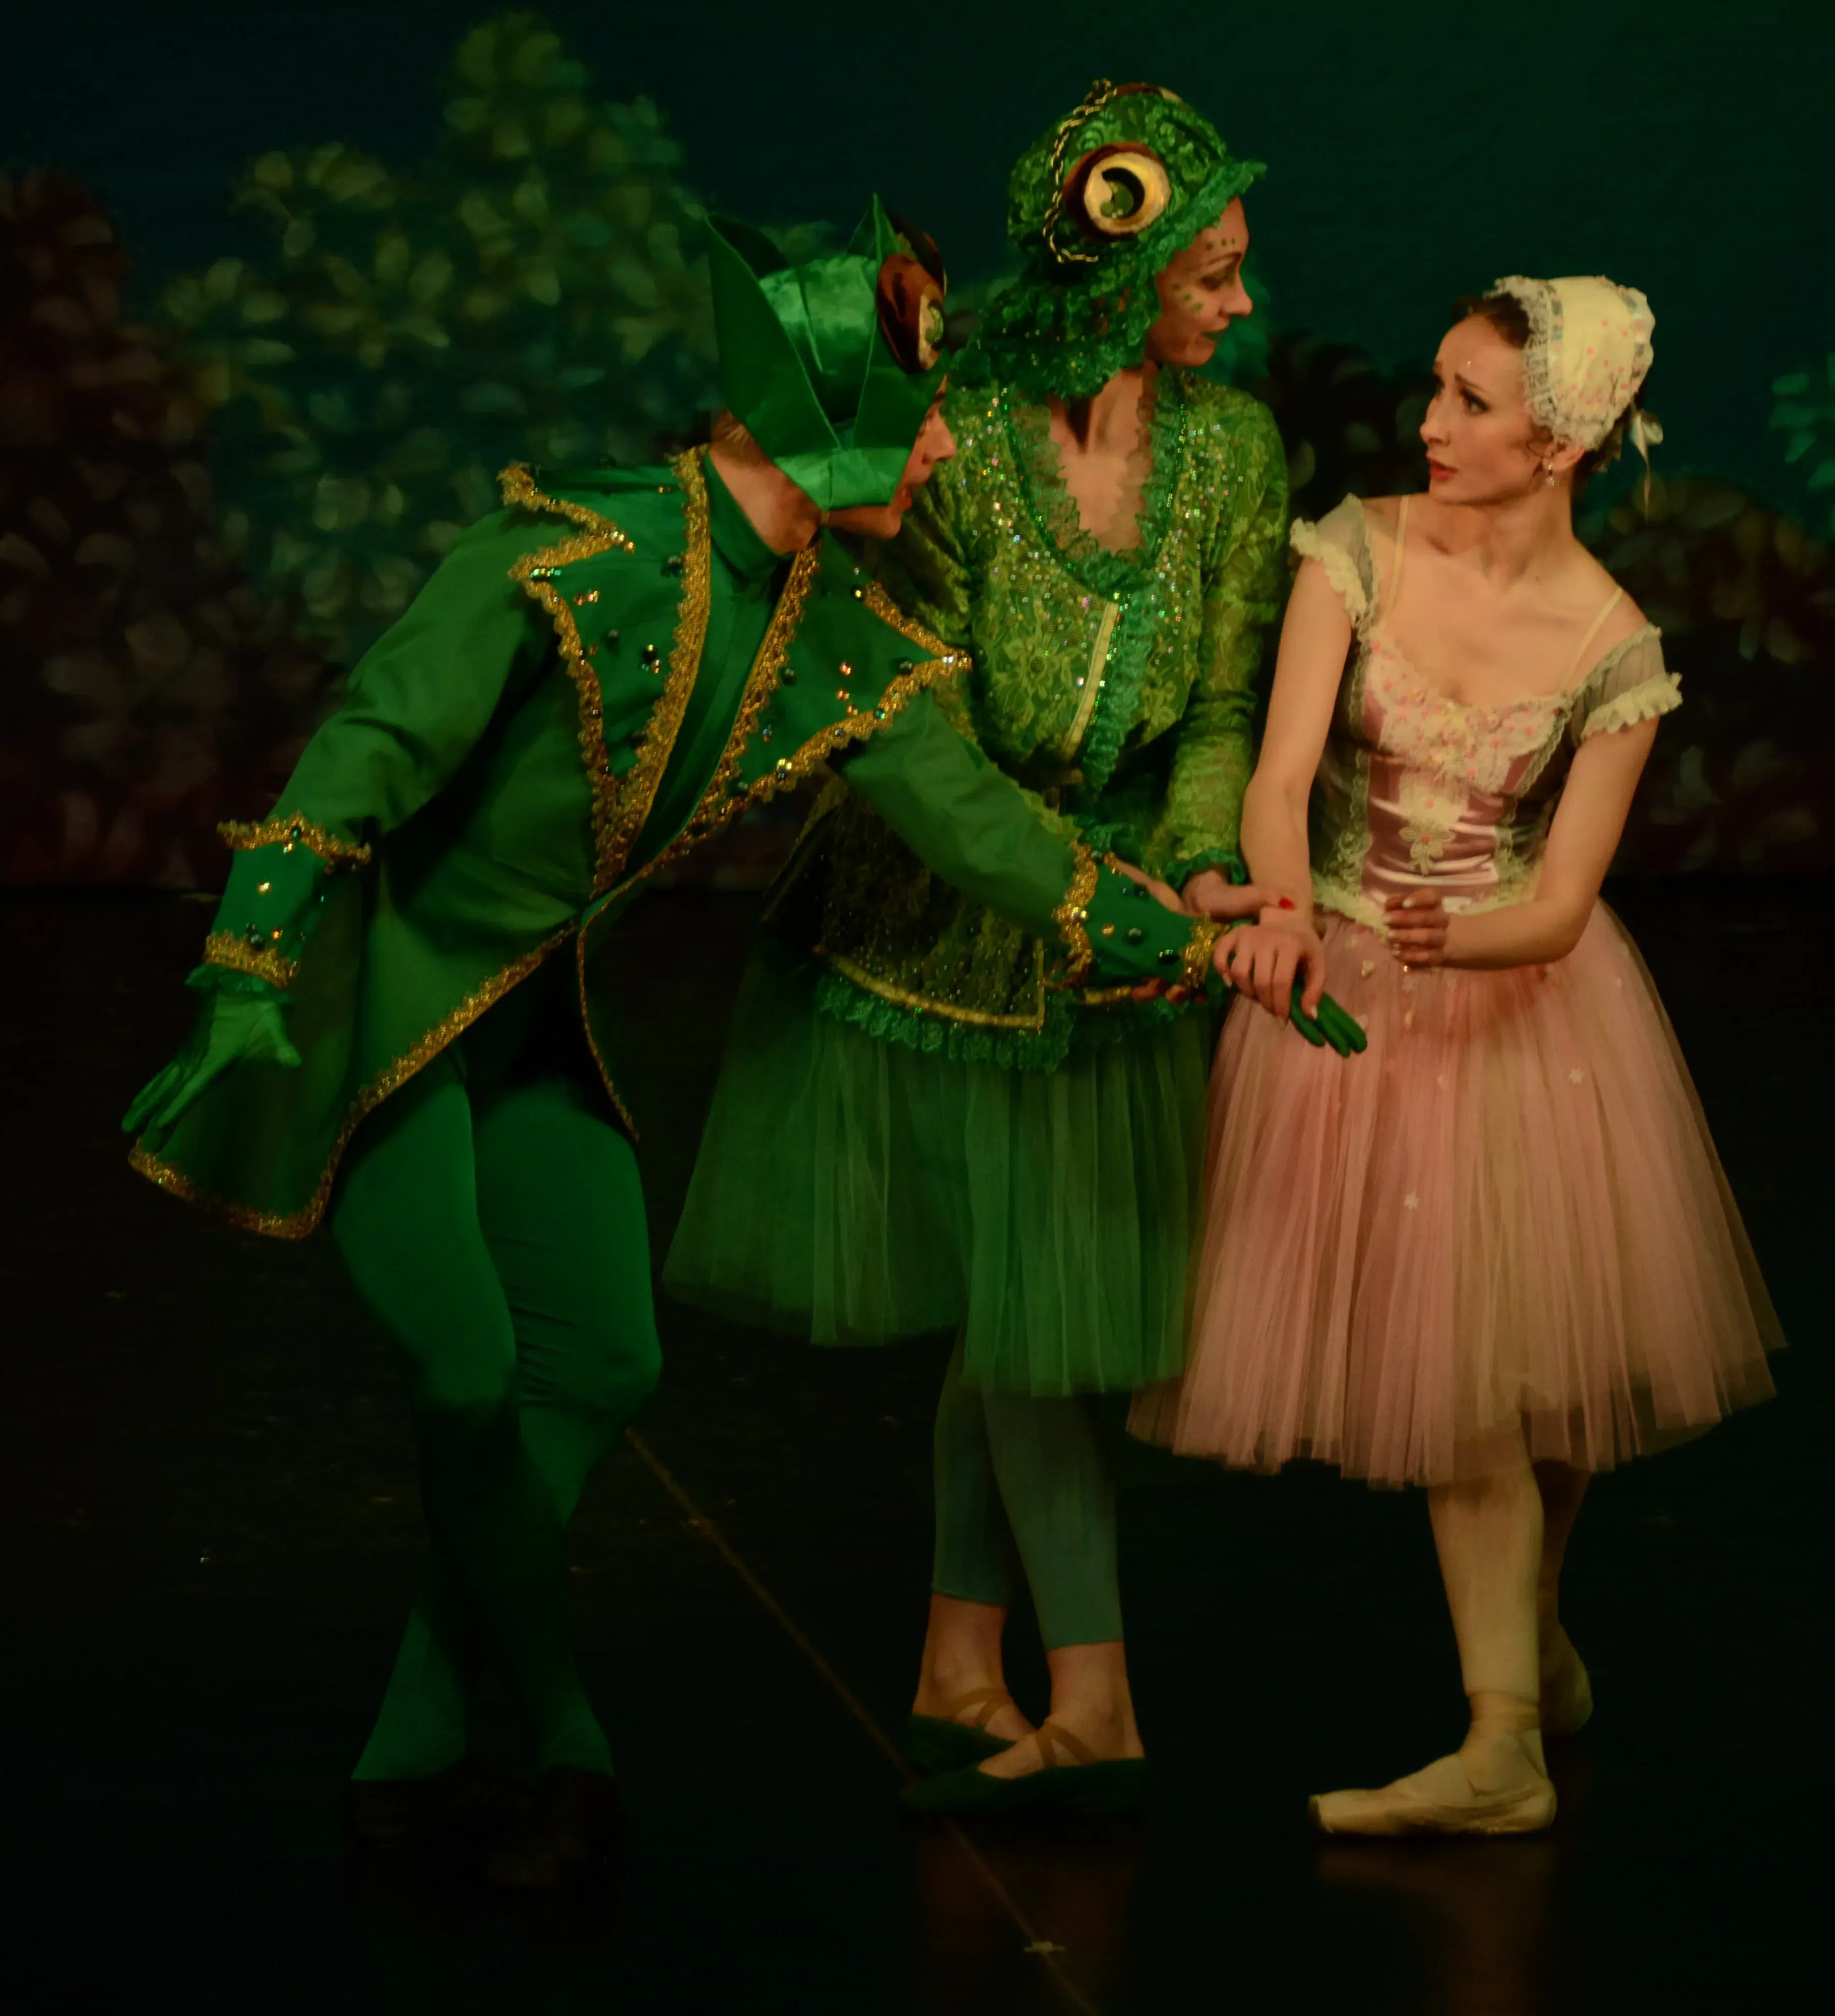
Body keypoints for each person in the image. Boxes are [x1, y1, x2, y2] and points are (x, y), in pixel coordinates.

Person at [119, 202, 1231, 1889]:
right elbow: (371, 742)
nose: (947, 444)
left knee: (600, 1358)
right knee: (470, 1373)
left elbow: (965, 816)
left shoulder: (818, 623)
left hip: (527, 1013)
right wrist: (245, 963)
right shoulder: (576, 554)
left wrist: (1168, 935)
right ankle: (565, 1733)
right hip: (380, 1007)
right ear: (830, 419)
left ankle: (414, 1736)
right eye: (922, 411)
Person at [667, 84, 1342, 1819]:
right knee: (1025, 1324)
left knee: (1021, 1313)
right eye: (1211, 276)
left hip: (1126, 920)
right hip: (955, 915)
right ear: (1116, 279)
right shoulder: (956, 438)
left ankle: (959, 1667)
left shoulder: (1230, 451)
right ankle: (1095, 1700)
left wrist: (1198, 866)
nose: (1241, 305)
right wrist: (1077, 890)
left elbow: (1219, 705)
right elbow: (931, 729)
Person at [1131, 276, 1783, 1835]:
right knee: (1482, 1385)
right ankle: (1522, 1687)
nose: (1430, 423)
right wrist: (1291, 913)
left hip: (1516, 1011)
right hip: (1352, 980)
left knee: (1525, 1378)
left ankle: (1505, 1732)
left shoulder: (1614, 649)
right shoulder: (1358, 551)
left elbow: (1559, 903)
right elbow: (1281, 778)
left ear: (1559, 443)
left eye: (1471, 403)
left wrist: (1456, 939)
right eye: (1437, 386)